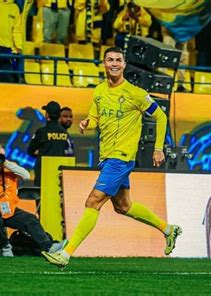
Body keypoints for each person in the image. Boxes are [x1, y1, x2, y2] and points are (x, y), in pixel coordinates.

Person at [41, 47, 182, 268]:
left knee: (93, 201)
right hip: (107, 156)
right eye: (110, 59)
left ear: (124, 65)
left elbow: (161, 116)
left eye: (118, 60)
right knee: (123, 206)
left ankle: (65, 254)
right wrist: (88, 123)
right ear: (104, 64)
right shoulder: (98, 91)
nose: (114, 63)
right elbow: (95, 118)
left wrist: (158, 148)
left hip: (122, 157)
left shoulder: (136, 93)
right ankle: (168, 229)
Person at [0, 144, 62, 256]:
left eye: (0, 154)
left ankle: (48, 246)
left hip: (8, 211)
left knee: (30, 218)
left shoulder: (9, 168)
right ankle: (5, 245)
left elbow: (26, 175)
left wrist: (6, 162)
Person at [27, 101, 70, 187]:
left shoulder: (41, 132)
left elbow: (30, 150)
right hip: (58, 171)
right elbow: (67, 151)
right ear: (59, 115)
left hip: (43, 171)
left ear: (47, 115)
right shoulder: (64, 133)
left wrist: (42, 153)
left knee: (41, 195)